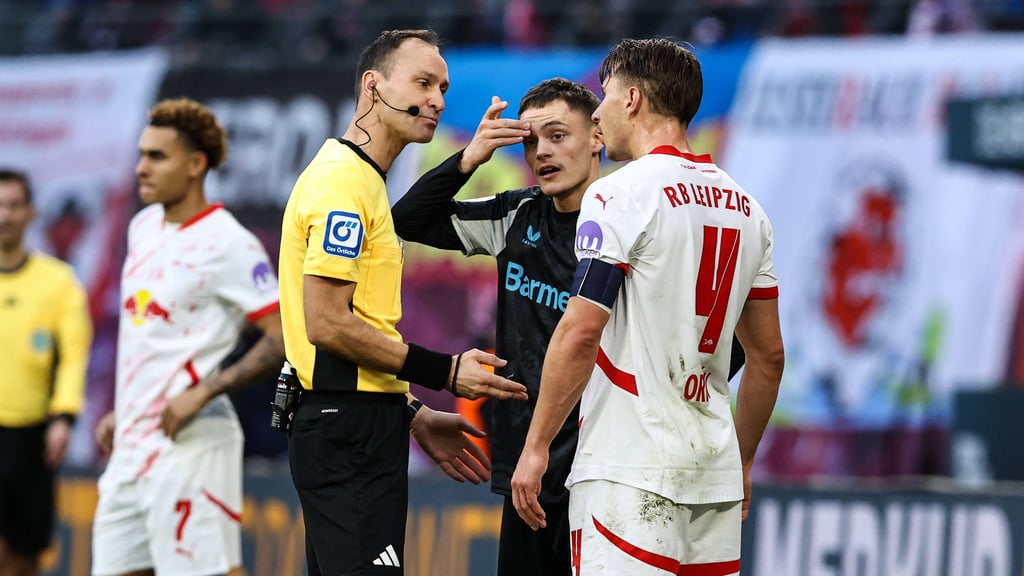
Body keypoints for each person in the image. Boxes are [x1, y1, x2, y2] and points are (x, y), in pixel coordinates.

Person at [511, 38, 785, 576]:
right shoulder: (748, 209)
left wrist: (536, 445)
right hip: (713, 475)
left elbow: (581, 330)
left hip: (629, 469)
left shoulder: (619, 194)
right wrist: (743, 459)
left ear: (632, 100)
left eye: (606, 95)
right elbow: (769, 357)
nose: (598, 112)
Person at [277, 29, 528, 576]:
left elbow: (358, 325)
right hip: (347, 431)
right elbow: (327, 324)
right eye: (422, 83)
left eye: (443, 88)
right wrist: (446, 371)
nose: (437, 99)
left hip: (358, 422)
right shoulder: (342, 184)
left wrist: (408, 410)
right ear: (373, 85)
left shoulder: (363, 180)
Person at [392, 78, 601, 576]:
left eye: (557, 135)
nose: (541, 152)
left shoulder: (629, 224)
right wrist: (470, 158)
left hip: (601, 470)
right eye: (531, 141)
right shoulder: (517, 215)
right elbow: (407, 220)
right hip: (527, 472)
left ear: (597, 136)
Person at [91, 98, 287, 576]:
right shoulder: (142, 227)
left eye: (157, 156)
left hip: (192, 445)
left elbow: (282, 337)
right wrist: (128, 407)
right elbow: (152, 337)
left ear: (196, 164)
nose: (141, 168)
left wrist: (204, 391)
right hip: (132, 444)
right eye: (141, 154)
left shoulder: (229, 243)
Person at [0, 169, 92, 576]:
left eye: (13, 205)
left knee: (26, 554)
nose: (4, 215)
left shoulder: (58, 282)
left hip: (32, 435)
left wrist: (63, 417)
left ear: (31, 213)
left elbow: (73, 355)